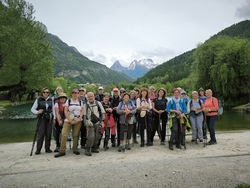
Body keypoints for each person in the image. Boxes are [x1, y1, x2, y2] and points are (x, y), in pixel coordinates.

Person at [54, 89, 83, 158]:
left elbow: (82, 111)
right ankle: (62, 151)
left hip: (77, 120)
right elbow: (65, 111)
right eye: (73, 93)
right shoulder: (68, 101)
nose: (75, 94)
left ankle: (75, 149)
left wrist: (79, 118)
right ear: (71, 94)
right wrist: (70, 120)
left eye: (76, 93)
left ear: (78, 94)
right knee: (64, 134)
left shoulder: (81, 101)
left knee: (75, 135)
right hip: (68, 120)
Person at [31, 87, 54, 155]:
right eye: (44, 92)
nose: (46, 93)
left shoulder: (51, 100)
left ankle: (47, 148)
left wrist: (54, 118)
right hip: (41, 118)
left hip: (49, 118)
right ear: (42, 93)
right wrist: (37, 112)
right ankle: (38, 149)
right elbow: (32, 109)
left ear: (49, 93)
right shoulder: (38, 99)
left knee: (48, 134)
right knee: (40, 134)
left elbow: (53, 110)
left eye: (47, 92)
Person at [84, 92, 105, 156]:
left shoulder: (98, 103)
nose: (90, 98)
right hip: (90, 123)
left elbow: (102, 112)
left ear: (94, 96)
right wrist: (86, 125)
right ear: (87, 97)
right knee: (91, 136)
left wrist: (102, 121)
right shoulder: (85, 105)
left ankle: (94, 148)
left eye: (91, 96)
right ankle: (87, 149)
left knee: (97, 136)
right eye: (89, 97)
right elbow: (84, 116)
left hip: (98, 122)